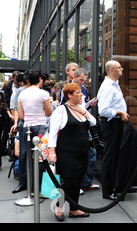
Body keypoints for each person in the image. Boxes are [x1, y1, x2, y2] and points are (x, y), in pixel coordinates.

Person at [48, 83, 97, 221]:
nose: (82, 95)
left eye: (81, 92)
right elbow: (53, 132)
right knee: (68, 182)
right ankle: (59, 207)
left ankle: (74, 209)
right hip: (66, 153)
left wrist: (83, 111)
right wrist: (52, 151)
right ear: (69, 95)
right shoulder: (61, 110)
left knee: (77, 180)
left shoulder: (81, 109)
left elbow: (93, 122)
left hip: (82, 152)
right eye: (78, 93)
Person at [97, 60, 131, 200]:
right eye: (119, 68)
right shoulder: (107, 87)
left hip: (116, 124)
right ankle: (107, 190)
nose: (122, 69)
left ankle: (117, 186)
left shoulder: (113, 85)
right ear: (112, 70)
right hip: (111, 124)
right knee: (110, 157)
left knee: (116, 155)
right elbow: (103, 110)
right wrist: (119, 113)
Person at [16, 70, 53, 193]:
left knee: (26, 155)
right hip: (41, 126)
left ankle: (28, 185)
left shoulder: (21, 94)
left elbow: (21, 115)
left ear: (27, 80)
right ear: (40, 80)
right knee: (41, 157)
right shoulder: (43, 93)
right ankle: (39, 187)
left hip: (26, 126)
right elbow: (48, 112)